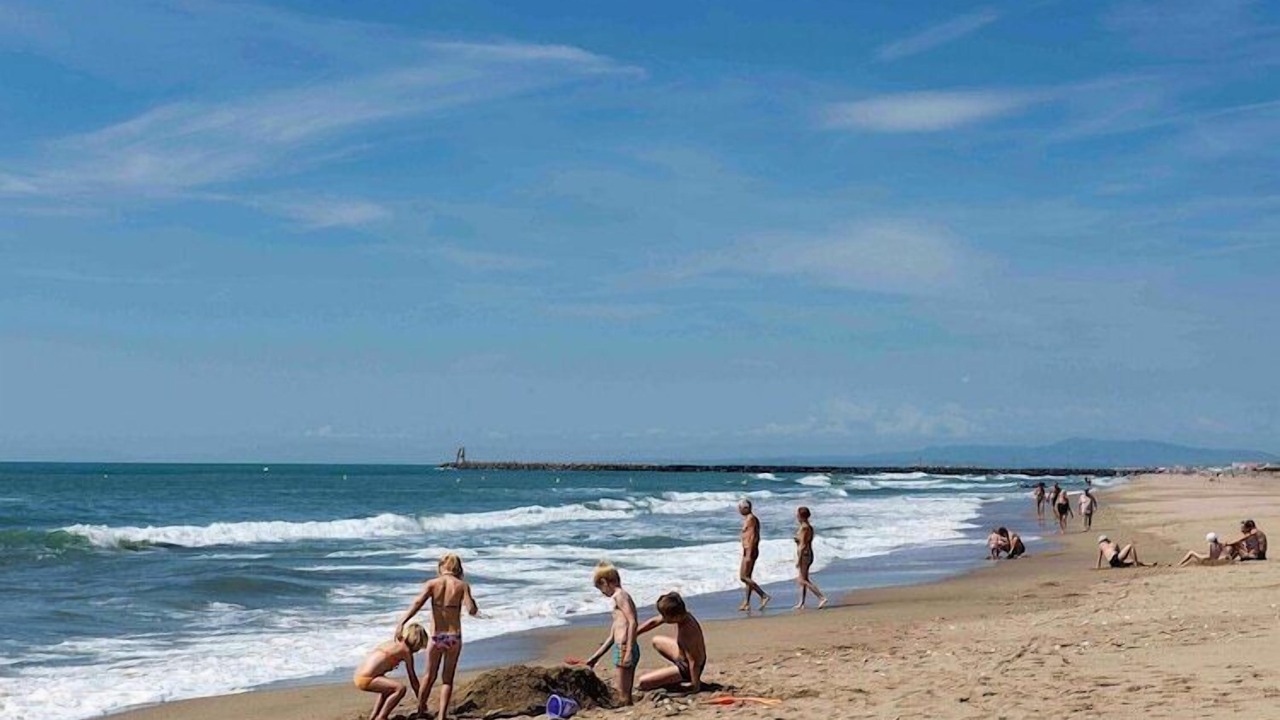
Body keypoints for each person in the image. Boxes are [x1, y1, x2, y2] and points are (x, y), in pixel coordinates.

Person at [395, 553, 479, 720]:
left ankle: (420, 710)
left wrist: (402, 622)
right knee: (447, 679)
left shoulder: (432, 584)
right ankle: (441, 716)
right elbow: (471, 610)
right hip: (454, 637)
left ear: (441, 567)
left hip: (437, 636)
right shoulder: (462, 585)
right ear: (458, 568)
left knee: (429, 676)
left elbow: (417, 603)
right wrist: (471, 601)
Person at [584, 561, 640, 705]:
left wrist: (628, 651)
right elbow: (612, 637)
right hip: (621, 647)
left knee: (623, 694)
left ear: (604, 582)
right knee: (624, 691)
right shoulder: (618, 598)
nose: (602, 593)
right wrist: (595, 657)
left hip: (624, 648)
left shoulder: (620, 596)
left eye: (600, 589)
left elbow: (633, 621)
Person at [636, 592, 707, 693]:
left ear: (675, 616)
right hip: (682, 656)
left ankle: (683, 678)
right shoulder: (682, 615)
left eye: (664, 616)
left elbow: (694, 662)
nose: (662, 618)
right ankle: (673, 676)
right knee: (656, 641)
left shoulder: (688, 632)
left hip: (687, 668)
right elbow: (654, 622)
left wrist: (695, 685)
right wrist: (635, 634)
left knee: (643, 682)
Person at [353, 623, 425, 720]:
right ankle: (382, 717)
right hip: (366, 679)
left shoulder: (393, 643)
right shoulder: (406, 652)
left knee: (387, 689)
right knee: (400, 688)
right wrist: (422, 702)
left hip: (358, 675)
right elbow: (413, 680)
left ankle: (373, 717)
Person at [736, 499, 770, 611]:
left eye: (740, 508)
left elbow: (752, 537)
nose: (739, 510)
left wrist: (749, 552)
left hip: (750, 550)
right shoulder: (749, 519)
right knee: (748, 577)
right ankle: (747, 602)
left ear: (745, 508)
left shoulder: (751, 519)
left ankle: (763, 595)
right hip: (748, 550)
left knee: (743, 576)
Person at [792, 506, 828, 609]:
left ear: (800, 516)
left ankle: (821, 597)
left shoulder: (804, 527)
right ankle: (801, 602)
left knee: (801, 580)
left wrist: (798, 559)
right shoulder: (808, 527)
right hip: (808, 553)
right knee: (804, 578)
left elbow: (803, 545)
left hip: (804, 554)